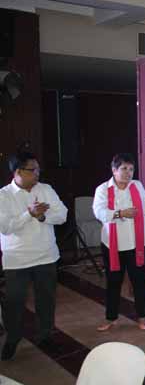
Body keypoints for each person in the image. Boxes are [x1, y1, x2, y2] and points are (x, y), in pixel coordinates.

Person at [0, 152, 67, 360]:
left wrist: (43, 216)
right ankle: (13, 338)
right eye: (32, 170)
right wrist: (28, 214)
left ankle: (45, 336)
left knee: (46, 299)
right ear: (17, 172)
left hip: (46, 255)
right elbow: (5, 227)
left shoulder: (45, 189)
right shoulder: (4, 195)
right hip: (16, 258)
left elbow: (62, 215)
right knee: (14, 300)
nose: (37, 173)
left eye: (38, 169)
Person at [92, 153, 145, 332]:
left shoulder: (137, 185)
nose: (128, 173)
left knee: (139, 281)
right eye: (124, 168)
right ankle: (111, 317)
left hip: (137, 243)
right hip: (113, 244)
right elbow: (99, 213)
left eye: (131, 169)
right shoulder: (103, 189)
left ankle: (142, 316)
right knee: (113, 282)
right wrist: (120, 213)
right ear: (114, 170)